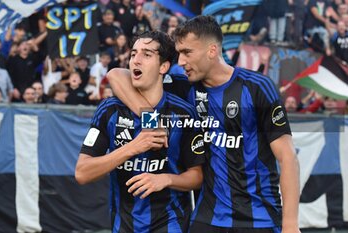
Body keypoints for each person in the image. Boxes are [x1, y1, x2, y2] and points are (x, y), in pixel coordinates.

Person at [107, 15, 301, 233]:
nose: (180, 61)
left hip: (259, 218)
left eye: (187, 52)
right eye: (179, 53)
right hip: (207, 218)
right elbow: (116, 75)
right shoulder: (184, 86)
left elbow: (288, 157)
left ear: (212, 51)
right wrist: (150, 120)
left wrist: (291, 224)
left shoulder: (257, 87)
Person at [75, 30, 205, 233]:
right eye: (133, 54)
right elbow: (82, 173)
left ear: (163, 66)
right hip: (123, 225)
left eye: (146, 54)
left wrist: (166, 179)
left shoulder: (183, 112)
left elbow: (198, 176)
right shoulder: (109, 110)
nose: (136, 60)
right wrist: (133, 147)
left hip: (171, 223)